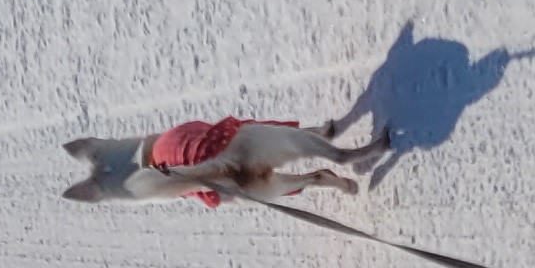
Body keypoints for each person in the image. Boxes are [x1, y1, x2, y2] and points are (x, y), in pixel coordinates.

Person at [63, 112, 388, 204]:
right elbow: (244, 128)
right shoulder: (169, 140)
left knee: (268, 181)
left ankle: (323, 180)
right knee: (249, 132)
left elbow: (208, 191)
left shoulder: (163, 181)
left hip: (233, 185)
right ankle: (338, 149)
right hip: (233, 147)